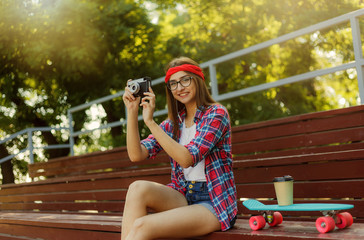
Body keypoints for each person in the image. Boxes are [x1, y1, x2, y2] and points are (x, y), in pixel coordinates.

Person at [121, 56, 237, 240]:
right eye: (173, 84)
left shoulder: (216, 114)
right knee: (137, 189)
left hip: (213, 203)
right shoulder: (174, 124)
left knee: (141, 226)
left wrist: (150, 122)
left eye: (185, 80)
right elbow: (136, 155)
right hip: (182, 196)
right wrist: (132, 111)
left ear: (198, 80)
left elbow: (187, 159)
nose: (179, 88)